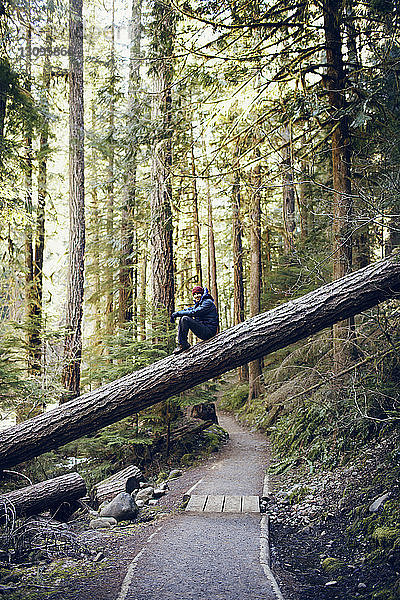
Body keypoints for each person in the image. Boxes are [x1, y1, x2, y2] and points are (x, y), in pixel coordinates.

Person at [170, 286, 219, 354]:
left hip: (209, 331)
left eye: (198, 293)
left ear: (202, 294)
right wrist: (175, 314)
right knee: (183, 318)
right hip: (204, 329)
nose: (196, 296)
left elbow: (195, 312)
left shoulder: (207, 302)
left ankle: (183, 344)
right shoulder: (199, 304)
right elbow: (189, 310)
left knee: (185, 319)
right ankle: (183, 344)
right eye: (194, 294)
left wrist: (177, 314)